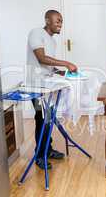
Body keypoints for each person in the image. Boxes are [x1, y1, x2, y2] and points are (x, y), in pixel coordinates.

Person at [26, 10, 77, 169]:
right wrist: (66, 63)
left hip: (47, 85)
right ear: (48, 20)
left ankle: (47, 149)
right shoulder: (36, 33)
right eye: (57, 21)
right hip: (36, 85)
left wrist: (60, 71)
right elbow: (41, 58)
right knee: (42, 118)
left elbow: (47, 64)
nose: (60, 24)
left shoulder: (52, 41)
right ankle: (40, 155)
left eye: (61, 21)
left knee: (49, 118)